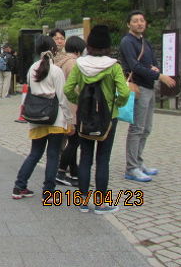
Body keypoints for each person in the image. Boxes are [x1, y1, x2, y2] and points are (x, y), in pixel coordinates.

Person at [64, 26, 129, 214]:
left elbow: (68, 90)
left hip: (84, 116)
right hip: (108, 118)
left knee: (85, 157)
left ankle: (83, 201)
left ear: (89, 44)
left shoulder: (80, 65)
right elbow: (124, 92)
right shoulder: (114, 66)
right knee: (103, 159)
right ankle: (101, 203)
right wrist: (115, 104)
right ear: (108, 45)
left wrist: (80, 102)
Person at [12, 36, 73, 199]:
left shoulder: (32, 68)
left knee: (35, 153)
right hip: (55, 118)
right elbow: (62, 98)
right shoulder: (56, 71)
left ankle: (19, 186)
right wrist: (70, 120)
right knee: (53, 155)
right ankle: (48, 191)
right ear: (53, 50)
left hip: (36, 117)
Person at [119, 11, 176, 182]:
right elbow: (134, 66)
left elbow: (152, 63)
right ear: (128, 24)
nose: (139, 23)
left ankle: (138, 162)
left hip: (149, 88)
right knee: (137, 129)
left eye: (142, 20)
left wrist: (156, 69)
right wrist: (160, 76)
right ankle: (131, 168)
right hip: (138, 88)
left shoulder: (145, 41)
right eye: (135, 21)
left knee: (146, 128)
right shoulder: (127, 42)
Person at [55, 36, 86, 187]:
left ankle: (74, 174)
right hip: (72, 107)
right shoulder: (73, 63)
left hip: (60, 106)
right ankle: (61, 171)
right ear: (79, 50)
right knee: (74, 141)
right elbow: (75, 88)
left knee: (72, 142)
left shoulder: (60, 61)